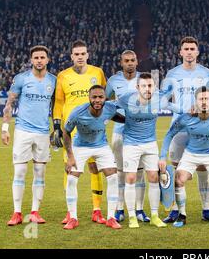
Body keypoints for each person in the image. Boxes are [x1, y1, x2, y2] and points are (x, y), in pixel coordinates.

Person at [159, 86, 209, 228]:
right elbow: (169, 134)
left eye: (206, 99)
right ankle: (182, 215)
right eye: (201, 99)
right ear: (195, 101)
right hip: (190, 155)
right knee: (179, 180)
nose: (204, 102)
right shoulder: (186, 117)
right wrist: (162, 156)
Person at [160, 36, 209, 223]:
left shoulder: (206, 73)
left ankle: (206, 209)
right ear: (181, 52)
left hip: (201, 127)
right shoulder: (172, 74)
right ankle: (176, 210)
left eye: (193, 48)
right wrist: (183, 110)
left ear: (197, 52)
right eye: (186, 49)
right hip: (179, 127)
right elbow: (163, 100)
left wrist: (203, 108)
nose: (190, 52)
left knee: (202, 167)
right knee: (176, 169)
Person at [51, 40, 108, 225]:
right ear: (71, 56)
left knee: (95, 168)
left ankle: (97, 210)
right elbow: (59, 102)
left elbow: (104, 94)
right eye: (77, 54)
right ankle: (70, 213)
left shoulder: (97, 72)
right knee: (69, 168)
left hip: (92, 128)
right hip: (70, 129)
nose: (80, 57)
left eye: (83, 53)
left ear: (87, 55)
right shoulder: (63, 76)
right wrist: (57, 127)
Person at [3, 45, 56, 226]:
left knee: (40, 172)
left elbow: (57, 106)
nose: (39, 60)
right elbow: (9, 103)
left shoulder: (54, 81)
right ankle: (17, 213)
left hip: (42, 132)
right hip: (23, 131)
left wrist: (57, 127)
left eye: (42, 57)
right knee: (20, 171)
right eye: (36, 58)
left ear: (48, 60)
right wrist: (5, 128)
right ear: (31, 60)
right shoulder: (21, 78)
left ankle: (35, 212)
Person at [62, 85, 123, 230]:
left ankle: (111, 218)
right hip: (80, 146)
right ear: (89, 98)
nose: (97, 100)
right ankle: (73, 218)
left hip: (101, 145)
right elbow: (66, 132)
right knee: (71, 179)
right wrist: (70, 156)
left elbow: (115, 115)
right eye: (94, 97)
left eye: (100, 97)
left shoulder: (109, 107)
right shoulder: (78, 112)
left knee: (113, 177)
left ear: (105, 98)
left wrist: (132, 120)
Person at [117, 72, 170, 229]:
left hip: (150, 144)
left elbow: (175, 106)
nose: (147, 89)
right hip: (131, 144)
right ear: (137, 87)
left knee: (154, 177)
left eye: (150, 85)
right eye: (144, 86)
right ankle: (132, 216)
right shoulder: (126, 98)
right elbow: (110, 108)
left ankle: (154, 215)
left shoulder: (159, 98)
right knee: (131, 178)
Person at [105, 50, 149, 223]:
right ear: (121, 63)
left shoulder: (145, 80)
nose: (130, 63)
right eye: (126, 60)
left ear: (137, 61)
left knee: (139, 173)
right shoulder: (113, 81)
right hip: (119, 132)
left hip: (140, 132)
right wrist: (113, 117)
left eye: (132, 60)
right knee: (121, 173)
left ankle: (139, 209)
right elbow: (105, 101)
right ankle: (119, 209)